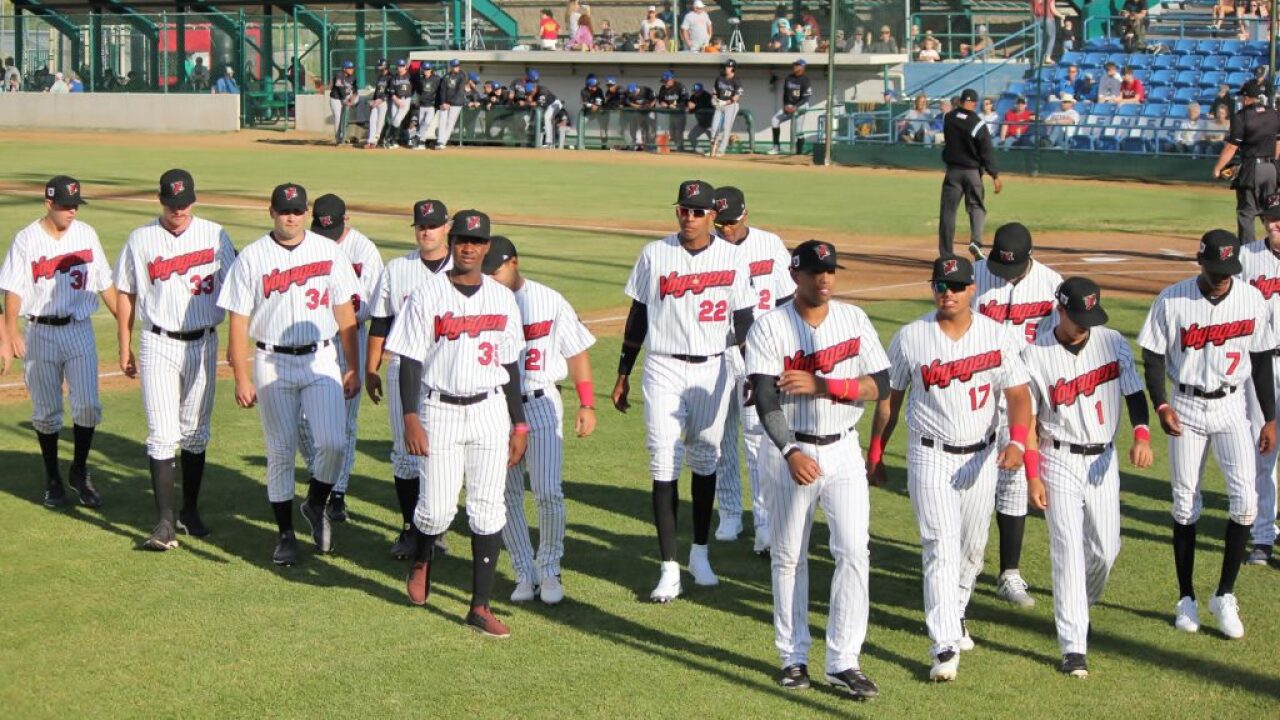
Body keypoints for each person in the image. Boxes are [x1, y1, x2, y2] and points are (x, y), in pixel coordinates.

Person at [869, 255, 1033, 682]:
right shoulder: (910, 338)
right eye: (941, 284)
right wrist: (876, 452)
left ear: (972, 289)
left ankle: (957, 614)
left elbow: (1017, 393)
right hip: (930, 454)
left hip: (982, 456)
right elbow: (891, 398)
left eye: (957, 285)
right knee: (939, 545)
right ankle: (943, 643)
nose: (948, 292)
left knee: (972, 551)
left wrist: (1017, 440)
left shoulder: (997, 336)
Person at [745, 240, 888, 698]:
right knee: (789, 557)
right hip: (791, 452)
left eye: (830, 271)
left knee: (853, 552)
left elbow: (880, 384)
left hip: (845, 449)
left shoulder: (854, 319)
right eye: (815, 272)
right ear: (795, 276)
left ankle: (844, 660)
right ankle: (793, 657)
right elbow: (766, 398)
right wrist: (790, 451)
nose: (825, 279)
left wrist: (824, 384)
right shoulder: (770, 327)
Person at [388, 210, 529, 638]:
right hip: (440, 408)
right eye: (462, 239)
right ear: (453, 242)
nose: (468, 246)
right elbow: (410, 358)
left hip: (489, 410)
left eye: (476, 240)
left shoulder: (502, 299)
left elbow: (510, 366)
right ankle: (423, 555)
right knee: (436, 509)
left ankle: (479, 607)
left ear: (487, 246)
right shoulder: (428, 294)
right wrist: (410, 417)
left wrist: (519, 424)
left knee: (489, 508)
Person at [613, 180, 756, 602]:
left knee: (706, 459)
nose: (688, 217)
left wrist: (752, 374)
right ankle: (668, 567)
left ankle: (699, 553)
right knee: (663, 459)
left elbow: (745, 321)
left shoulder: (731, 258)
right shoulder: (655, 254)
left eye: (697, 211)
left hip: (713, 367)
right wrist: (623, 371)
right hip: (663, 366)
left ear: (713, 214)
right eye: (683, 210)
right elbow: (637, 314)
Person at [1137, 229, 1275, 639]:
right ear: (1200, 262)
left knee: (1246, 503)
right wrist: (1161, 403)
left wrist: (1269, 416)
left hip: (1234, 406)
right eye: (1215, 269)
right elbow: (1153, 354)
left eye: (1228, 270)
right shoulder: (1173, 299)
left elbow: (1263, 357)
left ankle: (1224, 594)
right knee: (1184, 503)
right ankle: (1186, 598)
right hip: (1187, 406)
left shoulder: (1252, 298)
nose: (1221, 277)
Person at [215, 183, 362, 565]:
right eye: (284, 211)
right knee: (280, 450)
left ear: (306, 212)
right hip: (271, 360)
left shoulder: (327, 251)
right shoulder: (252, 258)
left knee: (333, 442)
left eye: (297, 211)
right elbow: (238, 321)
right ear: (272, 212)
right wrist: (242, 375)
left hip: (321, 358)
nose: (290, 217)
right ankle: (284, 535)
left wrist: (354, 368)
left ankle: (315, 502)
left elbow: (345, 313)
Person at [1021, 276, 1153, 677]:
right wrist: (1032, 475)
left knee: (1106, 549)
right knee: (1067, 552)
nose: (1085, 325)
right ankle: (1073, 646)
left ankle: (1081, 605)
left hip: (1103, 459)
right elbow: (1025, 418)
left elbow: (1133, 392)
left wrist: (1143, 435)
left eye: (1090, 317)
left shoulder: (1111, 342)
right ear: (1059, 311)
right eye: (1079, 317)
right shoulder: (1035, 354)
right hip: (1057, 458)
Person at [114, 169, 235, 550]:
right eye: (171, 204)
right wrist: (123, 344)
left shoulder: (216, 235)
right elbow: (125, 291)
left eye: (183, 204)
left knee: (196, 432)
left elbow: (238, 291)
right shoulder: (141, 238)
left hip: (204, 341)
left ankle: (190, 511)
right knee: (162, 434)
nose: (178, 211)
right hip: (158, 343)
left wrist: (237, 344)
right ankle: (164, 523)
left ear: (194, 201)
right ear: (160, 200)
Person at [480, 237, 596, 605]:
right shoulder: (480, 301)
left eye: (496, 271)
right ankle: (523, 571)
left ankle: (549, 567)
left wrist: (587, 404)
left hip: (542, 401)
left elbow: (576, 352)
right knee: (505, 495)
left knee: (547, 491)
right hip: (496, 406)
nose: (491, 279)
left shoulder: (549, 299)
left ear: (514, 262)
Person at [0, 176, 118, 509]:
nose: (71, 212)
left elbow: (104, 284)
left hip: (78, 329)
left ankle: (79, 470)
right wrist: (9, 335)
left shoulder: (86, 234)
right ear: (49, 204)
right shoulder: (26, 240)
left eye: (75, 205)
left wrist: (125, 327)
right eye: (65, 206)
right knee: (47, 412)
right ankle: (53, 477)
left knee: (88, 406)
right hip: (40, 332)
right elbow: (12, 290)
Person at [972, 223, 1065, 608]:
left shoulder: (1051, 284)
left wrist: (1047, 401)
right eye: (1000, 268)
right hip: (977, 386)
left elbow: (1056, 342)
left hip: (1024, 390)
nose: (1003, 277)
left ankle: (1009, 572)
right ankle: (967, 562)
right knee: (972, 476)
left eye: (1012, 271)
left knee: (1012, 481)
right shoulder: (974, 276)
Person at [366, 200, 454, 559]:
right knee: (404, 455)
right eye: (421, 225)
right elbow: (380, 322)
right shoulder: (397, 268)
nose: (426, 231)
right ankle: (409, 528)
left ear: (446, 226)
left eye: (433, 225)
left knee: (442, 454)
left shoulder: (465, 268)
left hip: (450, 374)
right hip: (404, 369)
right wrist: (372, 367)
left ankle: (437, 528)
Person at [711, 187, 796, 554]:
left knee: (755, 436)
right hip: (717, 351)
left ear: (745, 214)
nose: (725, 229)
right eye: (719, 222)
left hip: (759, 353)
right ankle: (730, 512)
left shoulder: (770, 244)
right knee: (717, 436)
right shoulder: (706, 251)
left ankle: (764, 521)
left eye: (730, 222)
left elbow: (786, 298)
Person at [295, 195, 383, 524]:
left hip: (351, 335)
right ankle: (321, 477)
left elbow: (371, 304)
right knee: (303, 418)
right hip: (314, 339)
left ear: (346, 220)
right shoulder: (309, 244)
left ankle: (337, 494)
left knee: (345, 420)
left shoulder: (364, 250)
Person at [1214, 80, 1280, 244]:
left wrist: (1218, 168)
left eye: (1243, 97)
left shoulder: (1241, 116)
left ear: (1247, 98)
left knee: (1247, 212)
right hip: (1271, 168)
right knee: (1272, 210)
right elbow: (1278, 143)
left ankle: (1247, 252)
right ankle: (1275, 246)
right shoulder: (1274, 113)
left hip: (1253, 169)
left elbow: (1231, 147)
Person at [938, 88, 1002, 259]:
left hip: (953, 172)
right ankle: (976, 242)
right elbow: (986, 151)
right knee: (976, 207)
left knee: (948, 212)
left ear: (960, 101)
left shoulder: (949, 118)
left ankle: (946, 253)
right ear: (974, 103)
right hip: (972, 172)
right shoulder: (977, 123)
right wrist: (994, 174)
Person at [769, 59, 814, 155]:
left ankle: (799, 153)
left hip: (802, 106)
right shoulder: (789, 78)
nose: (794, 67)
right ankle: (776, 147)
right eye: (794, 65)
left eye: (797, 65)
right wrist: (785, 106)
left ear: (802, 67)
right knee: (775, 120)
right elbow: (785, 94)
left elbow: (806, 98)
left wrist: (796, 107)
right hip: (789, 105)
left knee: (798, 130)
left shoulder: (806, 80)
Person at [709, 59, 744, 157]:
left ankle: (721, 150)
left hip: (731, 106)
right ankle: (713, 149)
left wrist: (726, 102)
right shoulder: (720, 78)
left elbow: (738, 95)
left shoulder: (737, 80)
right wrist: (714, 97)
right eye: (726, 66)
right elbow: (714, 89)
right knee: (714, 127)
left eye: (729, 67)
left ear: (733, 69)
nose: (727, 68)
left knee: (726, 128)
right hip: (720, 104)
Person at [437, 59, 468, 150]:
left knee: (450, 123)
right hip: (445, 103)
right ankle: (439, 140)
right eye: (454, 66)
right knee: (442, 121)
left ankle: (443, 141)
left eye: (457, 66)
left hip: (456, 103)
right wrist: (443, 102)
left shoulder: (462, 75)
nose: (456, 67)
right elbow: (442, 90)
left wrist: (449, 102)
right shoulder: (446, 76)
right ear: (451, 66)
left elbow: (459, 91)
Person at [656, 71, 688, 151]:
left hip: (680, 113)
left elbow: (685, 100)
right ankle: (679, 146)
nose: (664, 83)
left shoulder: (680, 86)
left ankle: (680, 149)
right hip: (671, 114)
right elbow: (660, 99)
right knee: (672, 134)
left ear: (671, 80)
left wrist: (676, 106)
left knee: (678, 132)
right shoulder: (663, 88)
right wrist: (662, 103)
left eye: (666, 81)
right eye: (664, 81)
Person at [412, 62, 441, 150]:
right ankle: (421, 143)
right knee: (421, 124)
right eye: (425, 69)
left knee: (427, 122)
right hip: (422, 105)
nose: (426, 71)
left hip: (431, 105)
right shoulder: (421, 80)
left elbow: (440, 90)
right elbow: (418, 92)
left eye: (428, 69)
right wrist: (417, 101)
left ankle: (417, 136)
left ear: (431, 70)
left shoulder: (436, 79)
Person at [528, 79, 565, 149]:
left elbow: (536, 103)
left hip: (555, 104)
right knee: (544, 122)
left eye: (531, 92)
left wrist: (529, 100)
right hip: (548, 107)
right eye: (529, 92)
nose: (530, 93)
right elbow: (531, 100)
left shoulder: (542, 91)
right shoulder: (533, 92)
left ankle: (549, 142)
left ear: (534, 88)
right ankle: (547, 143)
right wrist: (530, 97)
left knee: (547, 117)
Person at [329, 60, 358, 146]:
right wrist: (345, 101)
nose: (352, 69)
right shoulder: (339, 75)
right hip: (336, 99)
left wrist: (352, 100)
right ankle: (338, 139)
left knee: (345, 118)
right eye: (349, 68)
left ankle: (344, 137)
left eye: (352, 68)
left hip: (346, 98)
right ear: (344, 69)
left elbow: (355, 90)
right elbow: (340, 90)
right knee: (338, 117)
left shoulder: (353, 77)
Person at [387, 59, 414, 148]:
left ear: (405, 67)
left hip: (406, 100)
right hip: (396, 99)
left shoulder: (410, 76)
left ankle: (391, 139)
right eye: (399, 66)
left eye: (402, 66)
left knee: (397, 120)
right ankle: (392, 140)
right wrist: (397, 101)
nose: (400, 68)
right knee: (394, 119)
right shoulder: (394, 78)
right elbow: (391, 92)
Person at [623, 82, 657, 150]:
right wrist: (639, 106)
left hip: (649, 112)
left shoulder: (646, 90)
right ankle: (637, 145)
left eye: (633, 91)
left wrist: (649, 106)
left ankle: (649, 145)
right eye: (631, 92)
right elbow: (629, 102)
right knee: (635, 128)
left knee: (649, 129)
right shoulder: (629, 94)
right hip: (638, 113)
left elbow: (654, 99)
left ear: (636, 89)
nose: (632, 93)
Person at [366, 58, 391, 149]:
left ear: (385, 67)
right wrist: (373, 100)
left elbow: (390, 92)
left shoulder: (390, 77)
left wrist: (381, 100)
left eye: (380, 66)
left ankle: (375, 141)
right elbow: (377, 91)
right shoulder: (380, 77)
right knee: (372, 120)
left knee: (380, 122)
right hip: (376, 101)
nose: (378, 68)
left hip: (384, 102)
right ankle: (370, 140)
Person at [686, 82, 716, 153]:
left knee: (713, 140)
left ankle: (716, 153)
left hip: (710, 124)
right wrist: (689, 108)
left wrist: (695, 106)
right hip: (701, 124)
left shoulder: (707, 96)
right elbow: (691, 110)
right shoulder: (693, 97)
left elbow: (708, 107)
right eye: (695, 91)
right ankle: (700, 151)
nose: (696, 93)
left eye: (698, 92)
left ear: (702, 90)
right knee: (691, 136)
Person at [1034, 0, 1064, 65]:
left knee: (1039, 40)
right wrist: (1061, 16)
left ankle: (1039, 59)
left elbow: (1032, 11)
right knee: (1052, 37)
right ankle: (1048, 57)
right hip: (1048, 18)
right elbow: (1053, 10)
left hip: (1037, 19)